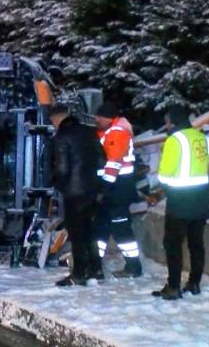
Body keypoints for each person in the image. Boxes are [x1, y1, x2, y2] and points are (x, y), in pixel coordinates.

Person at [152, 105, 209, 300]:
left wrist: (166, 188)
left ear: (173, 121)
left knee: (173, 244)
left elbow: (165, 174)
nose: (166, 124)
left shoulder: (174, 140)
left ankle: (173, 286)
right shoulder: (202, 137)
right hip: (201, 199)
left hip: (180, 201)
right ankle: (194, 283)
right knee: (196, 244)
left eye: (167, 121)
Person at [49, 105, 105, 286]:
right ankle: (96, 269)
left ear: (58, 119)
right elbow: (102, 158)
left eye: (53, 122)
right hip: (92, 190)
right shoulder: (89, 132)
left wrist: (58, 183)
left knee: (77, 234)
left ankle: (79, 273)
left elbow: (62, 168)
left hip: (74, 192)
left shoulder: (62, 137)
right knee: (90, 232)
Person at [93, 102, 143, 278]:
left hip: (117, 187)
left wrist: (104, 188)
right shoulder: (111, 131)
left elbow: (113, 163)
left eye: (99, 117)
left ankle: (134, 266)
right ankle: (94, 263)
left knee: (120, 227)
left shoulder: (117, 132)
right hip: (117, 186)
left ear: (109, 118)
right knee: (102, 225)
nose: (96, 120)